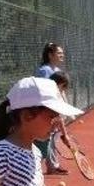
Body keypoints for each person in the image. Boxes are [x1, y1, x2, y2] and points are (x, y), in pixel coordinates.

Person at [33, 43, 67, 175]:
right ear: (50, 55)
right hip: (46, 111)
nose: (62, 55)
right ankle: (41, 168)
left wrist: (65, 108)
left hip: (55, 110)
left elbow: (61, 92)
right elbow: (44, 92)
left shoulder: (57, 71)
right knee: (44, 139)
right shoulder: (44, 71)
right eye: (59, 53)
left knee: (52, 138)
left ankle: (52, 165)